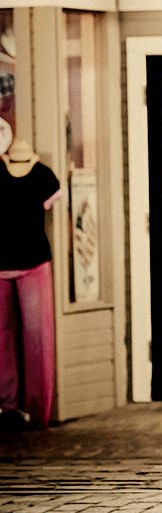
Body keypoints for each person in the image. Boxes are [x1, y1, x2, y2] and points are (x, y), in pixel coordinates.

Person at [0, 137, 62, 430]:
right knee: (4, 339)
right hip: (6, 263)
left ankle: (38, 409)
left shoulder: (43, 175)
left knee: (37, 338)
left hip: (33, 260)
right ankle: (8, 405)